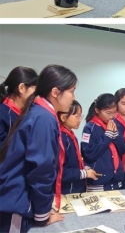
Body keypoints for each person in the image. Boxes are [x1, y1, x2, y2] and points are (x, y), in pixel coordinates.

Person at [0, 65, 77, 232]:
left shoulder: (40, 111)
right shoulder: (44, 118)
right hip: (16, 203)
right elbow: (41, 170)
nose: (74, 97)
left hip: (18, 199)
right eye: (72, 91)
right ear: (55, 92)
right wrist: (42, 214)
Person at [81, 94, 125, 191]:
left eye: (114, 113)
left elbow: (123, 149)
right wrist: (107, 136)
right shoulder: (90, 127)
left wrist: (116, 135)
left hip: (116, 180)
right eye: (108, 113)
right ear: (97, 110)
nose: (111, 116)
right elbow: (89, 154)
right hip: (98, 181)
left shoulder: (114, 124)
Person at [58, 100, 99, 194]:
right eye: (77, 116)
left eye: (81, 116)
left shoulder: (71, 136)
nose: (80, 120)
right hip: (67, 191)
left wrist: (85, 167)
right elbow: (60, 171)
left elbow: (74, 162)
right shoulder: (61, 138)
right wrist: (84, 173)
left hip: (76, 188)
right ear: (63, 117)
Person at [0, 66, 37, 148]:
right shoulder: (2, 112)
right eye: (35, 91)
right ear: (22, 88)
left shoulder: (25, 114)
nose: (37, 96)